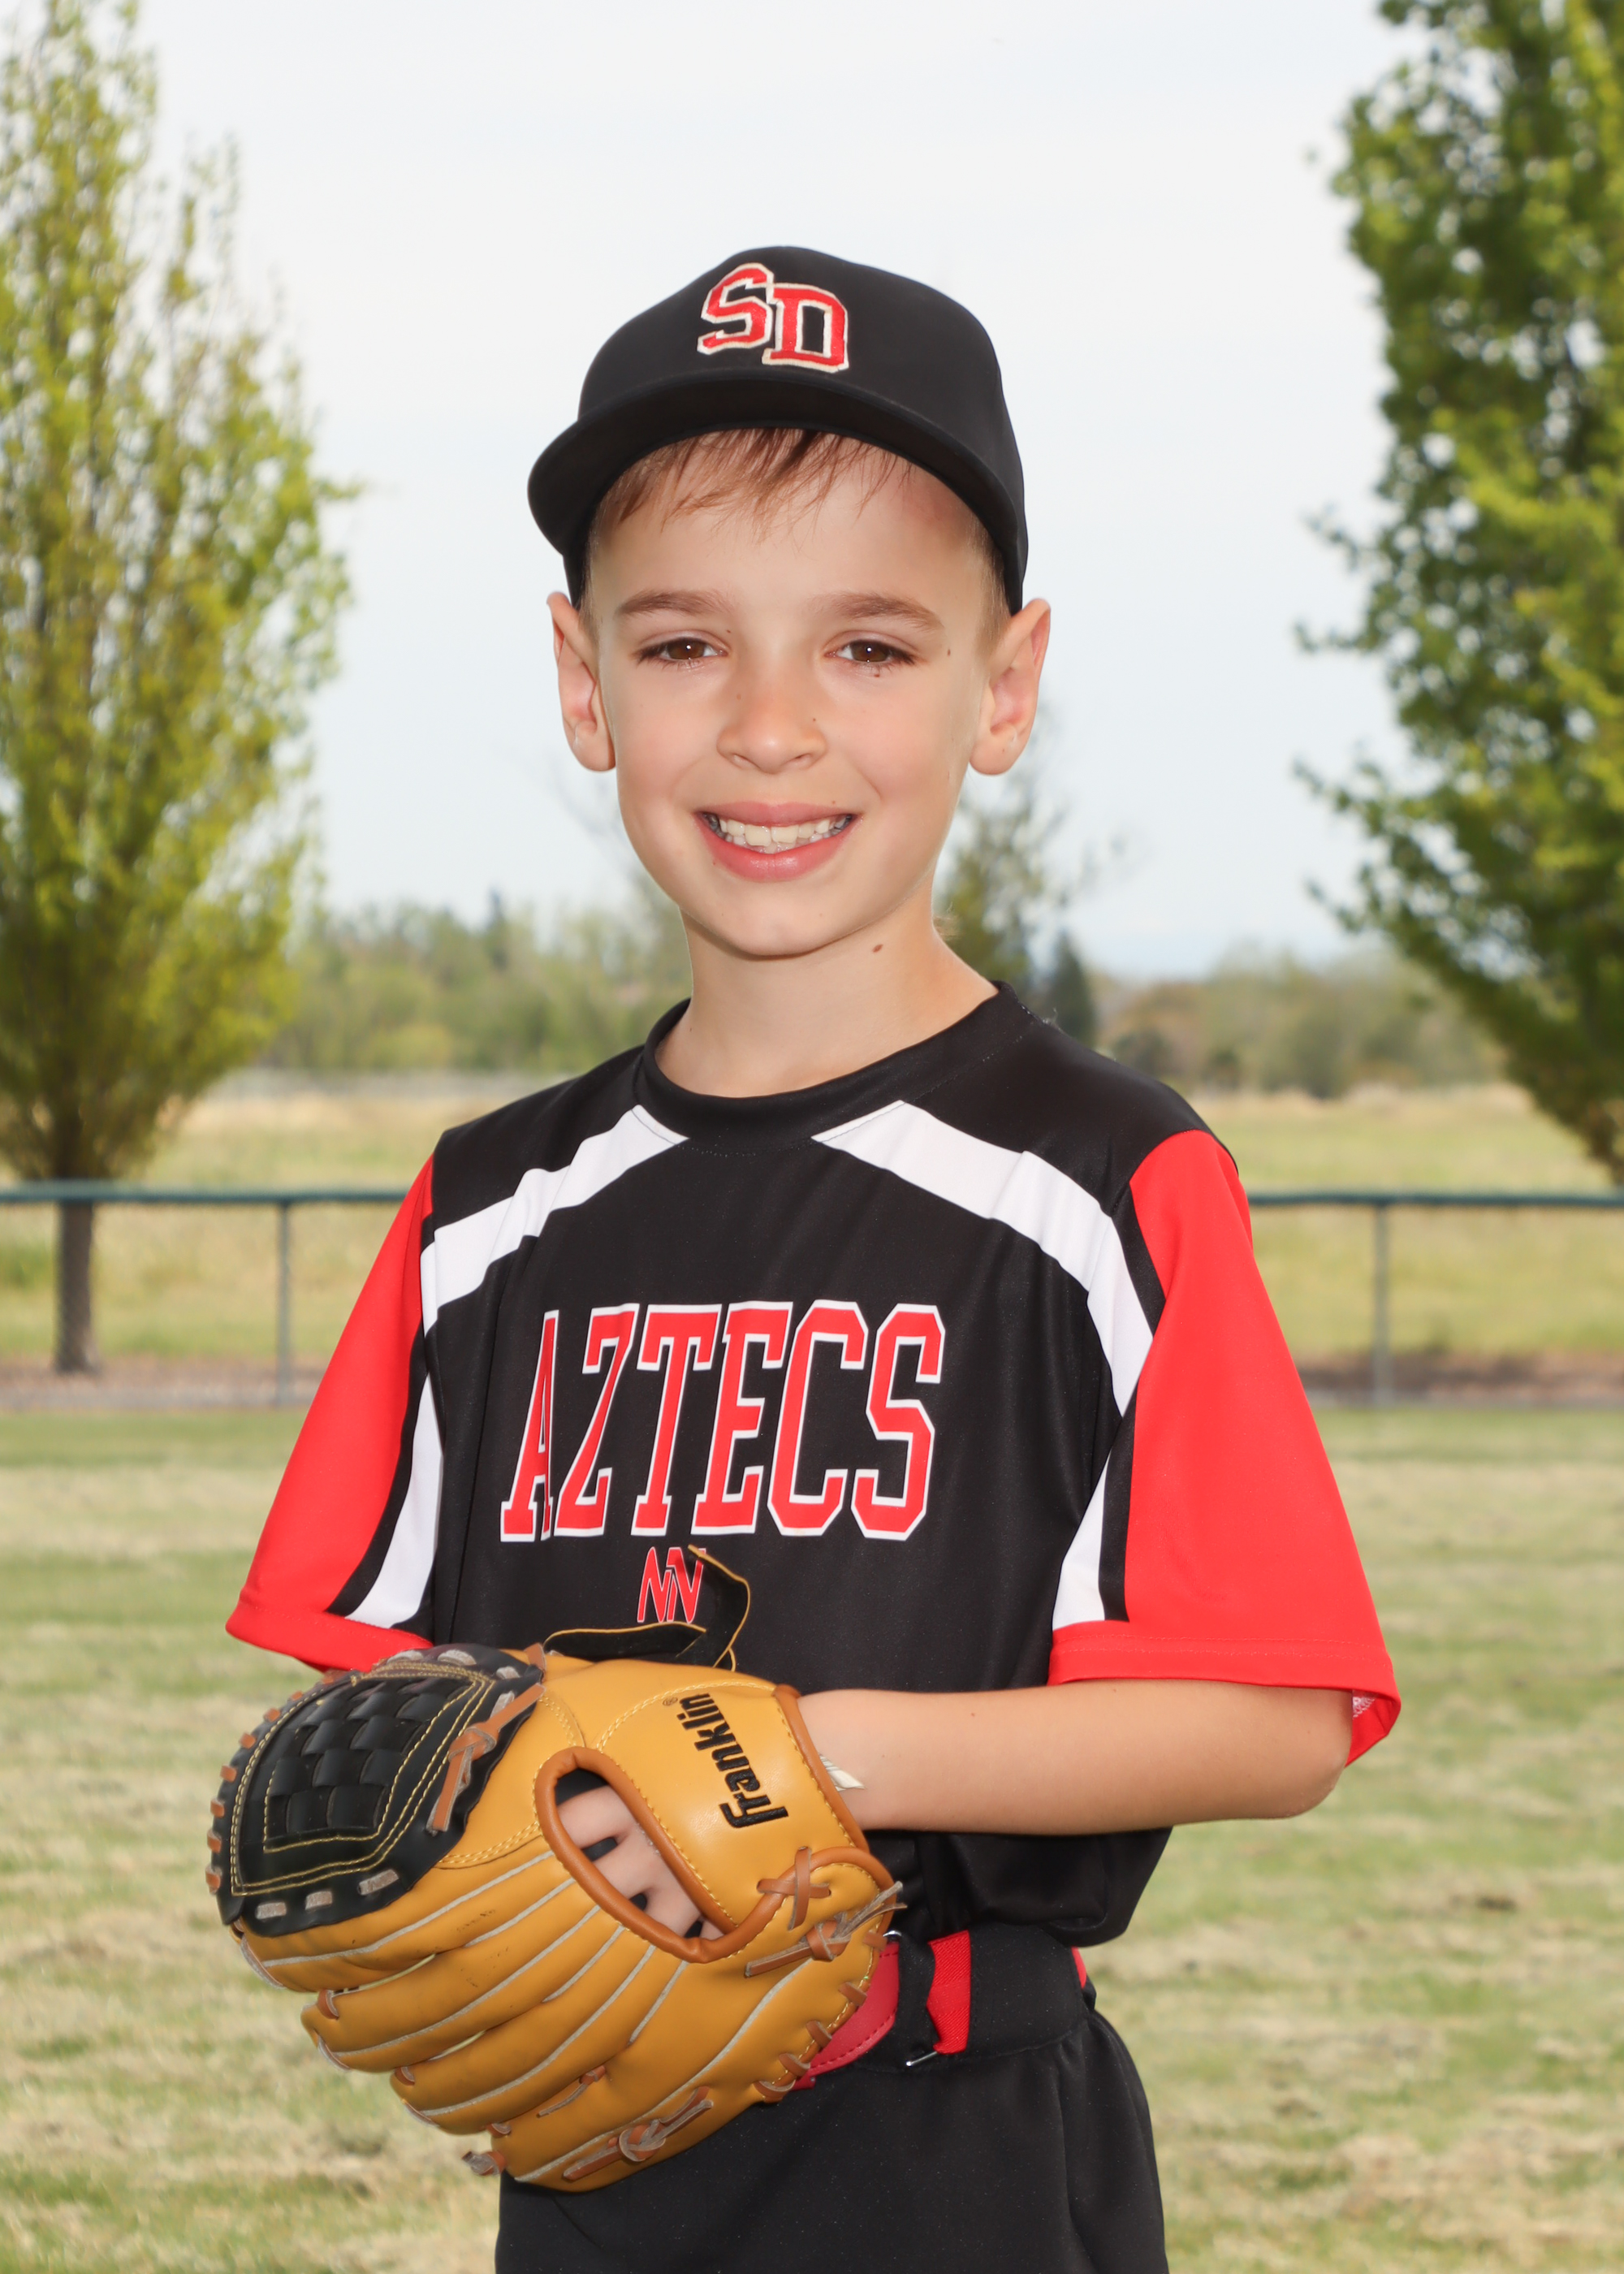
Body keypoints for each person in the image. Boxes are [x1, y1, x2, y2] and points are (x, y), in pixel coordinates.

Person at [228, 247, 1399, 2274]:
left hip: (956, 2147)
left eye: (868, 645)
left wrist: (800, 1753)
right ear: (583, 684)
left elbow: (1273, 1715)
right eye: (685, 643)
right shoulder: (487, 1207)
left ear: (1002, 685)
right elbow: (401, 1705)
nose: (771, 728)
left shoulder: (1097, 1179)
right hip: (599, 2145)